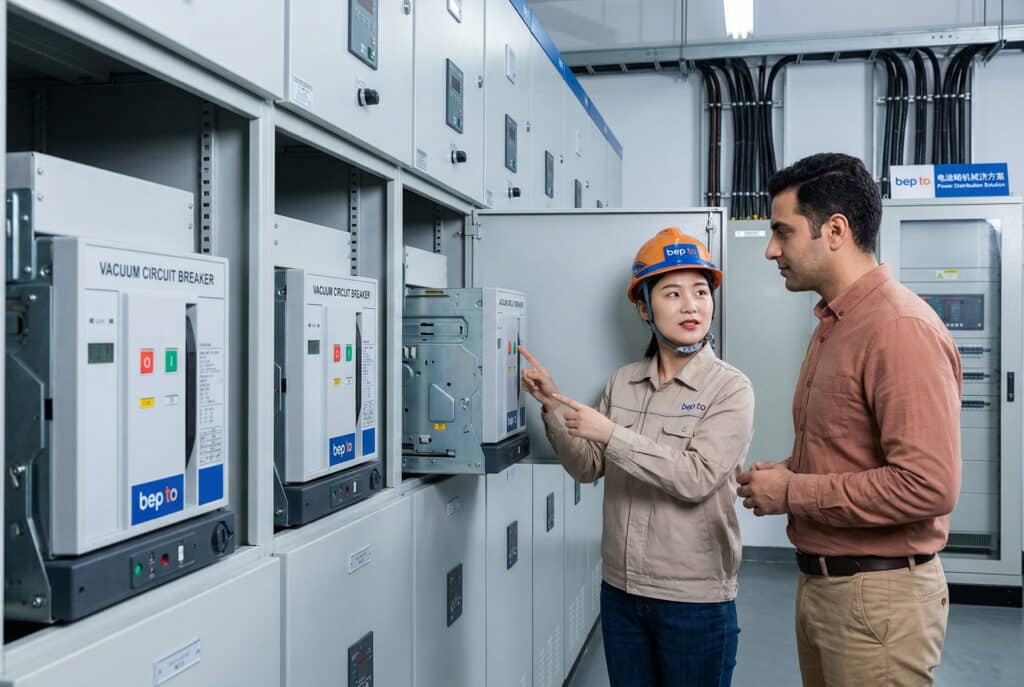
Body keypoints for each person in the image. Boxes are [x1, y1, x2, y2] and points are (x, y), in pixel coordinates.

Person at [737, 152, 962, 686]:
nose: (771, 251)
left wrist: (793, 492)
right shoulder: (836, 323)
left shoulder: (899, 328)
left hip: (878, 603)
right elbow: (854, 446)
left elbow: (928, 486)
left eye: (782, 233)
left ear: (834, 230)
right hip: (829, 589)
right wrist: (788, 471)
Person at [521, 228, 754, 687]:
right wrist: (551, 404)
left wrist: (611, 434)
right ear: (644, 308)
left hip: (695, 600)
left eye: (701, 291)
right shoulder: (623, 383)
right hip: (622, 593)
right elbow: (587, 467)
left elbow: (695, 477)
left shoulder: (730, 388)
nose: (691, 305)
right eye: (672, 293)